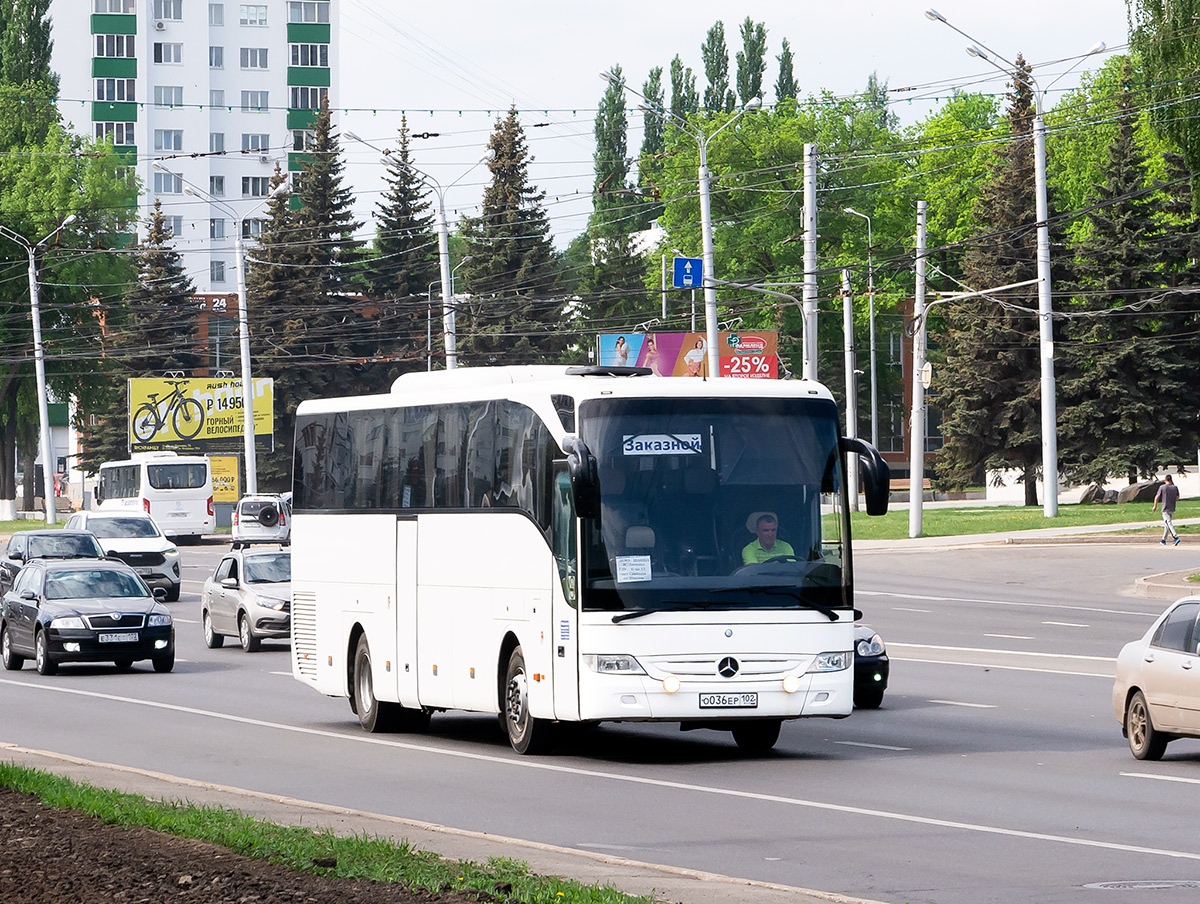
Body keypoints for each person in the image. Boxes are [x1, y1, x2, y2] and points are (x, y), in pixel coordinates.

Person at [1152, 474, 1182, 546]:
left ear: (1165, 480)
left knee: (1168, 523)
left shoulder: (1162, 487)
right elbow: (1177, 497)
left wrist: (1155, 506)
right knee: (1167, 525)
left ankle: (1175, 537)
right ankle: (1163, 540)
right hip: (1172, 508)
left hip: (1165, 508)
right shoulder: (1175, 487)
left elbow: (1157, 497)